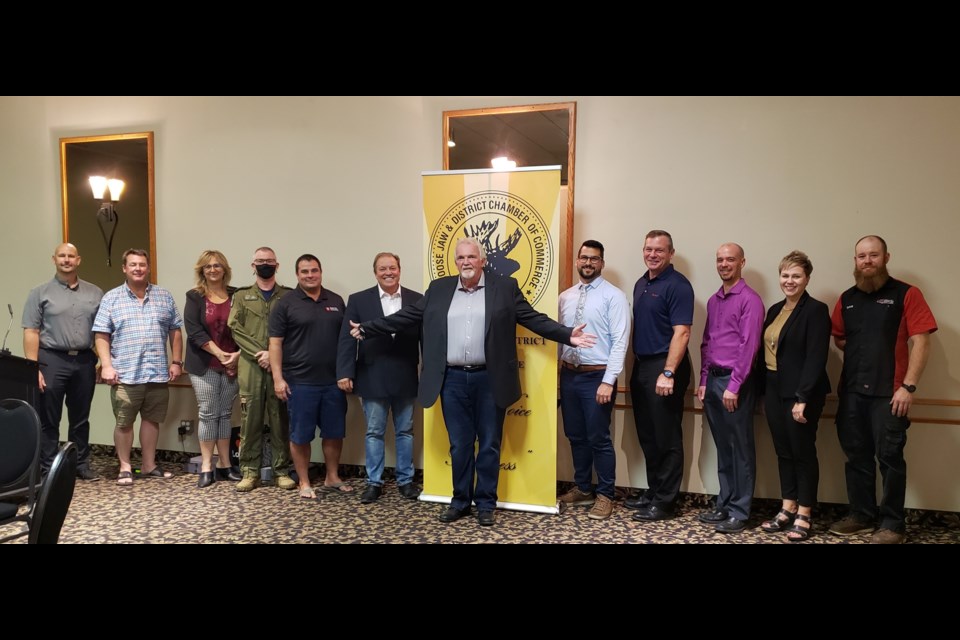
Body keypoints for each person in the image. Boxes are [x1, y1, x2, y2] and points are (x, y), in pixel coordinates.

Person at [350, 237, 596, 527]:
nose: (466, 262)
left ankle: (486, 504)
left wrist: (568, 335)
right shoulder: (439, 289)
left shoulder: (504, 288)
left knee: (490, 444)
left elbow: (532, 318)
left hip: (490, 379)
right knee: (460, 445)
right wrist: (368, 329)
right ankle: (460, 501)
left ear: (482, 260)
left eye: (471, 257)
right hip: (452, 380)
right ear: (456, 262)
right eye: (460, 258)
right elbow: (406, 317)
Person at [828, 235, 937, 544]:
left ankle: (892, 523)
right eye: (861, 256)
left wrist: (908, 386)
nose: (867, 261)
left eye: (873, 255)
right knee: (856, 456)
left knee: (889, 459)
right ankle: (861, 515)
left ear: (886, 257)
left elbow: (922, 340)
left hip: (890, 395)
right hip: (851, 394)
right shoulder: (846, 298)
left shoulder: (907, 294)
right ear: (855, 261)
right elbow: (839, 337)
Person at [336, 252, 423, 504]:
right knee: (374, 432)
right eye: (383, 268)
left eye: (392, 268)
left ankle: (406, 481)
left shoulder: (417, 300)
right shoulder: (358, 300)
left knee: (405, 431)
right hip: (371, 374)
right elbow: (346, 339)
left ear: (400, 270)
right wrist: (344, 372)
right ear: (375, 272)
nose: (388, 272)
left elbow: (426, 339)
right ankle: (374, 483)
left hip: (405, 374)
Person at [757, 251, 831, 542]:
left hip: (802, 393)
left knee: (802, 454)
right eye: (785, 275)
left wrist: (803, 398)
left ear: (807, 279)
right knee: (783, 452)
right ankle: (787, 507)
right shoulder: (775, 309)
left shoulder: (815, 310)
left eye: (796, 276)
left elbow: (816, 357)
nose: (790, 281)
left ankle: (804, 512)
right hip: (775, 388)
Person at [93, 248, 183, 486]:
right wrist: (106, 366)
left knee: (152, 420)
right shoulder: (111, 298)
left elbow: (175, 331)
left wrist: (176, 361)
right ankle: (124, 466)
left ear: (148, 267)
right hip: (125, 373)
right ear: (125, 268)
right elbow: (101, 334)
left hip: (157, 371)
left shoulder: (164, 296)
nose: (138, 268)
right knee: (124, 422)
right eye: (133, 264)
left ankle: (148, 464)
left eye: (142, 264)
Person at [556, 240, 629, 520]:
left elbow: (620, 342)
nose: (588, 263)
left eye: (594, 259)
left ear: (602, 263)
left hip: (597, 377)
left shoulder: (614, 297)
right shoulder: (565, 297)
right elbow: (561, 338)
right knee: (575, 435)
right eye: (584, 258)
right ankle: (584, 487)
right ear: (577, 261)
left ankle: (606, 495)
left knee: (599, 437)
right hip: (569, 375)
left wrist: (609, 381)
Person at [269, 254, 350, 499]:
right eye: (304, 271)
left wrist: (346, 373)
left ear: (321, 272)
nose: (310, 275)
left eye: (314, 270)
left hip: (333, 382)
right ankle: (304, 482)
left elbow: (346, 342)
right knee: (301, 435)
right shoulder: (285, 303)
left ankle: (332, 476)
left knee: (334, 433)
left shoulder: (336, 301)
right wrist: (277, 378)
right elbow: (275, 344)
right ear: (297, 275)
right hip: (300, 383)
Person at [627, 230, 694, 522]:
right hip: (642, 366)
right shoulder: (642, 283)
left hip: (665, 368)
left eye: (659, 250)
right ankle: (654, 492)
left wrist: (668, 372)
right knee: (648, 435)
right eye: (648, 249)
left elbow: (683, 332)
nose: (652, 254)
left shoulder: (678, 286)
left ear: (671, 253)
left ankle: (666, 502)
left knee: (666, 437)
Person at [22, 243, 104, 480]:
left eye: (71, 256)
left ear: (78, 260)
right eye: (62, 256)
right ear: (54, 259)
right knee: (49, 417)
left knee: (81, 418)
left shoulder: (95, 293)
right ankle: (49, 468)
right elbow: (31, 331)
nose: (66, 260)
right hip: (51, 360)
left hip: (84, 361)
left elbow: (102, 332)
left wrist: (104, 361)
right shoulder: (39, 292)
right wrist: (32, 367)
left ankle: (80, 464)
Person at [697, 243, 764, 533]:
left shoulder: (750, 300)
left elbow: (749, 346)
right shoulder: (714, 300)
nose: (724, 264)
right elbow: (706, 343)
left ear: (742, 262)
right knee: (723, 448)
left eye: (730, 260)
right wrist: (702, 380)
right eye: (720, 260)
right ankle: (724, 503)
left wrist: (734, 386)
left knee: (740, 449)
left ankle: (740, 509)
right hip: (712, 381)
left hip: (734, 384)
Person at [227, 247, 295, 492]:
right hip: (251, 365)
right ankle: (249, 471)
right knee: (250, 419)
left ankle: (281, 471)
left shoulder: (288, 295)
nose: (265, 264)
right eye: (260, 261)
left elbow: (294, 330)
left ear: (277, 265)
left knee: (280, 418)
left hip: (280, 365)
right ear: (252, 265)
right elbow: (235, 327)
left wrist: (274, 354)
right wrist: (262, 353)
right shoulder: (242, 296)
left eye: (269, 261)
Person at [184, 250, 242, 489]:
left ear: (225, 269)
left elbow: (245, 328)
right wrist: (220, 354)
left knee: (225, 413)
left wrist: (237, 356)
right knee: (208, 412)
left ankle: (225, 465)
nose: (213, 270)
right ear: (202, 271)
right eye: (207, 267)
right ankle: (207, 465)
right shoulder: (194, 296)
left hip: (233, 364)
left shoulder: (237, 295)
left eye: (217, 265)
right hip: (204, 364)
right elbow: (194, 331)